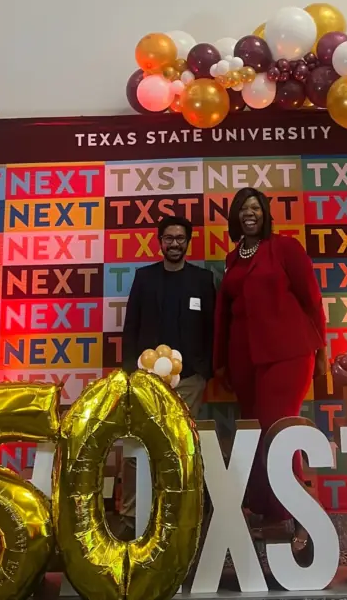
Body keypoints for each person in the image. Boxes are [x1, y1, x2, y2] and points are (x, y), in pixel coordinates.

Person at [213, 187, 327, 554]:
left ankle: (300, 519)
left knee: (278, 431)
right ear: (235, 216)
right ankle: (267, 514)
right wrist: (223, 362)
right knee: (253, 435)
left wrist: (322, 349)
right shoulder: (233, 258)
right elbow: (227, 315)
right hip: (244, 358)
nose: (250, 214)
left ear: (264, 214)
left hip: (287, 353)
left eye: (256, 208)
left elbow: (311, 299)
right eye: (244, 209)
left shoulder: (286, 248)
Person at [119, 214, 216, 536]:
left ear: (188, 242)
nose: (175, 243)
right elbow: (131, 326)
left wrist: (204, 371)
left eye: (180, 238)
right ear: (159, 242)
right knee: (138, 445)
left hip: (189, 380)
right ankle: (132, 515)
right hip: (146, 380)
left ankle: (183, 514)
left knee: (181, 446)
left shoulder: (202, 280)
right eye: (169, 238)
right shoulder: (144, 278)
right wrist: (131, 371)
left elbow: (212, 329)